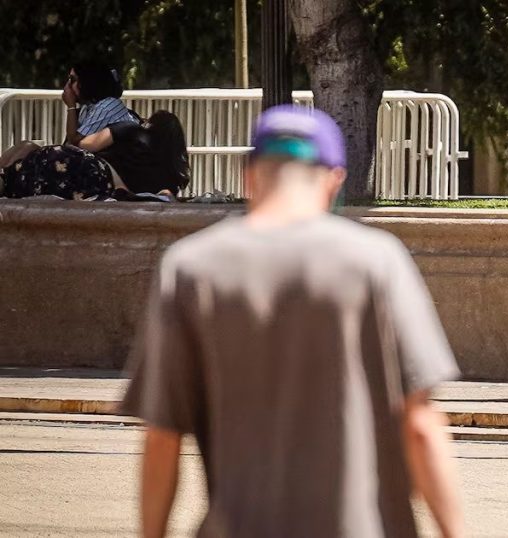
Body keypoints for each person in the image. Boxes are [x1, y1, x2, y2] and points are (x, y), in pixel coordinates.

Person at [121, 104, 464, 538]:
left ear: (250, 175)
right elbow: (419, 425)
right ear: (334, 180)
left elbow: (163, 437)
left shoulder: (190, 267)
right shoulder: (378, 261)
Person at [0, 111, 190, 200]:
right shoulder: (170, 177)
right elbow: (163, 198)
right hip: (99, 189)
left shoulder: (130, 129)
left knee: (16, 171)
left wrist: (72, 107)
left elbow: (84, 145)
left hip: (84, 166)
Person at [63, 61, 139, 146]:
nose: (68, 86)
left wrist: (71, 106)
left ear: (86, 82)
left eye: (72, 80)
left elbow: (74, 141)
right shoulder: (88, 107)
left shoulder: (106, 106)